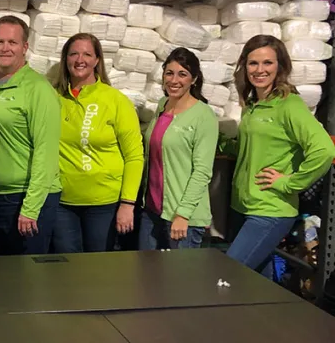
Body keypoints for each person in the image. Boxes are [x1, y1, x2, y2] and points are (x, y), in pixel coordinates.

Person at [226, 35, 335, 273]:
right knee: (257, 289)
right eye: (253, 63)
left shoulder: (289, 105)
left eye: (267, 63)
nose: (259, 70)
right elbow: (253, 149)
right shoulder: (253, 106)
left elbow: (324, 150)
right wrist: (222, 144)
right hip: (245, 207)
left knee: (228, 274)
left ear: (280, 66)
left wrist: (289, 183)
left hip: (270, 210)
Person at [0, 15, 61, 256]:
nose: (5, 48)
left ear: (25, 47)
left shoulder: (38, 89)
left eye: (12, 42)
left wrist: (30, 207)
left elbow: (46, 152)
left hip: (23, 199)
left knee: (27, 279)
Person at [52, 34, 143, 253]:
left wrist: (127, 203)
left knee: (99, 271)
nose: (79, 59)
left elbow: (134, 156)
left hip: (104, 203)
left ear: (97, 61)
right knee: (67, 269)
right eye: (73, 53)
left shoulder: (115, 100)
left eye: (87, 54)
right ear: (65, 59)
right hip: (62, 202)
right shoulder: (53, 98)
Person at [139, 48, 217, 251]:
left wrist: (183, 214)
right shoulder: (162, 105)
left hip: (183, 217)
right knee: (145, 275)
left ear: (194, 79)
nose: (174, 80)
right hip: (153, 210)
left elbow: (202, 171)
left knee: (181, 281)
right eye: (169, 73)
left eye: (182, 74)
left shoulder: (204, 116)